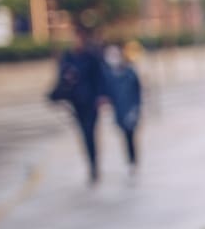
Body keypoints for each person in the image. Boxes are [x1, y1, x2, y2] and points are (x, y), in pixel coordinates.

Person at [49, 25, 108, 184]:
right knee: (84, 134)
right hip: (75, 103)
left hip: (90, 102)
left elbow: (100, 77)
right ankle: (91, 163)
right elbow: (60, 78)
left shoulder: (91, 56)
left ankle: (94, 165)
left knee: (90, 133)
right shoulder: (67, 57)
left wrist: (101, 96)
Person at [105, 40, 143, 175]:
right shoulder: (109, 75)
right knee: (125, 137)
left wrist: (136, 109)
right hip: (119, 112)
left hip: (131, 110)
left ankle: (133, 160)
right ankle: (131, 161)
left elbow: (138, 91)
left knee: (130, 136)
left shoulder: (130, 72)